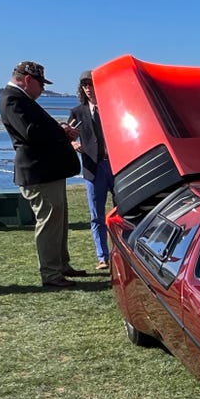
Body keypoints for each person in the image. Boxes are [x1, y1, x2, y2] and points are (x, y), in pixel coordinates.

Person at [0, 61, 84, 289]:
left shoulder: (21, 99)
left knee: (59, 221)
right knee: (49, 222)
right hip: (38, 173)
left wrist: (59, 129)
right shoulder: (12, 99)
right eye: (40, 84)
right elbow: (30, 132)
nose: (42, 89)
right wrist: (61, 130)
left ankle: (61, 264)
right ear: (27, 80)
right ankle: (51, 272)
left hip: (48, 171)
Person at [70, 70, 114, 271]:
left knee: (122, 212)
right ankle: (102, 257)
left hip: (116, 166)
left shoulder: (113, 108)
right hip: (92, 168)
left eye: (91, 84)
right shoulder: (77, 112)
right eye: (85, 85)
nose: (88, 89)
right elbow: (68, 134)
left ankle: (121, 253)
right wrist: (73, 143)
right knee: (96, 215)